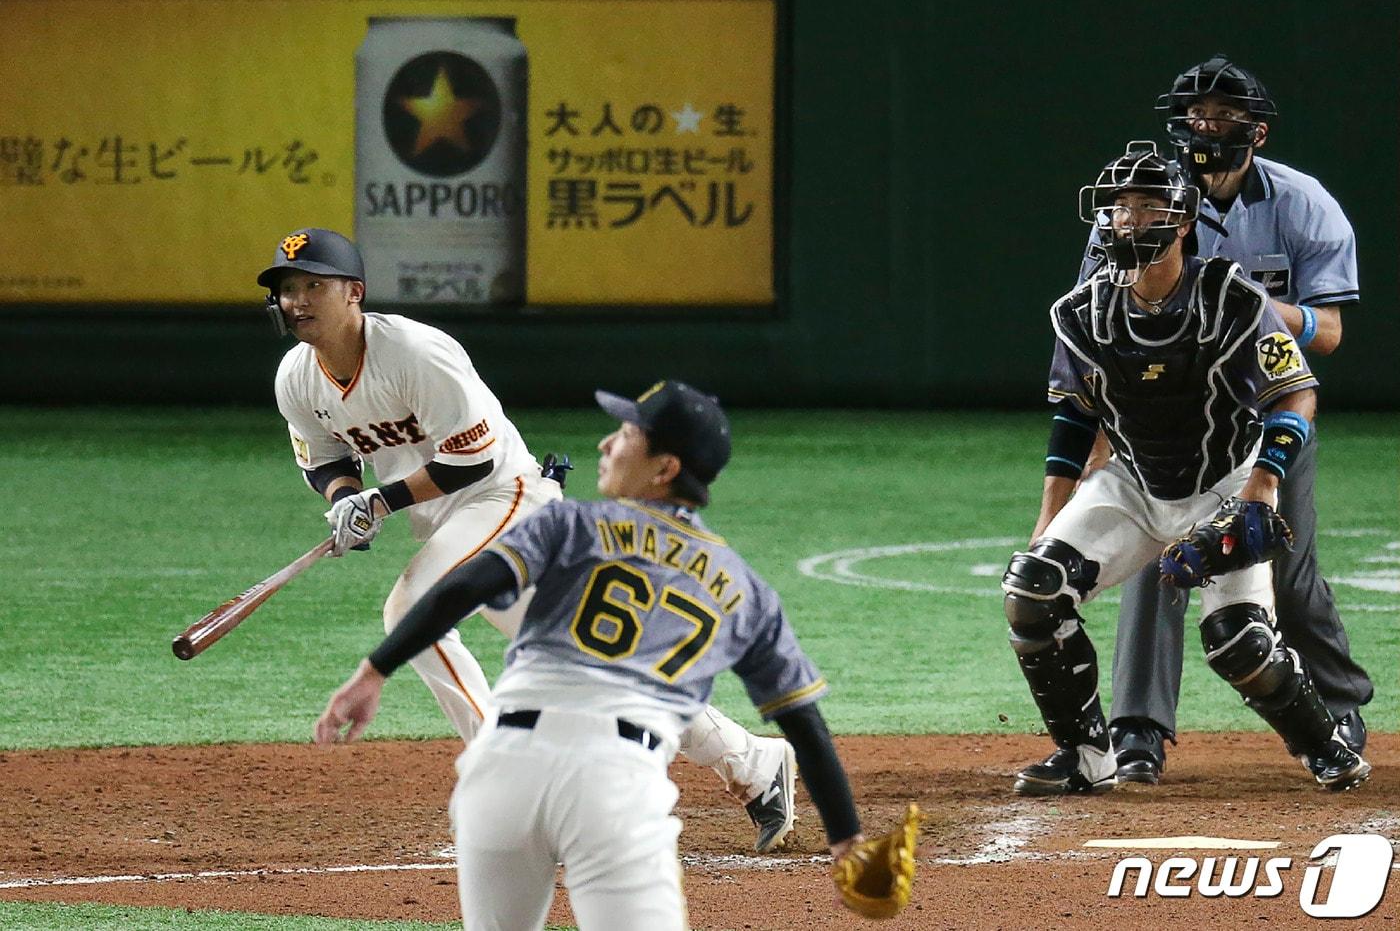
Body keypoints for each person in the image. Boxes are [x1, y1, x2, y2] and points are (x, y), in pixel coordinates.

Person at [257, 230, 797, 850]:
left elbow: (474, 461)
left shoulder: (417, 353)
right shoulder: (296, 377)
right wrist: (343, 498)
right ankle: (755, 765)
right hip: (448, 522)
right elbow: (322, 459)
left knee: (410, 608)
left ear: (353, 293)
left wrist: (379, 501)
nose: (296, 300)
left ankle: (506, 777)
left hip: (507, 499)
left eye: (312, 286)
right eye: (287, 288)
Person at [314, 381, 891, 930]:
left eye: (627, 435)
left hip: (499, 771)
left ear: (665, 469)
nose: (606, 443)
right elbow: (803, 723)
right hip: (615, 786)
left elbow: (461, 588)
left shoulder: (569, 522)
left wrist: (373, 672)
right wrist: (846, 839)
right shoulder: (744, 588)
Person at [1005, 143, 1370, 796]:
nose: (1127, 221)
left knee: (1238, 643)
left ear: (1180, 222)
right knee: (1032, 589)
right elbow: (1074, 419)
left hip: (1227, 482)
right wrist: (1048, 517)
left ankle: (1325, 744)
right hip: (1136, 484)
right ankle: (1088, 753)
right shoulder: (1082, 311)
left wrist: (1264, 486)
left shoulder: (1232, 298)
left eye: (1146, 207)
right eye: (1119, 208)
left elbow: (1294, 391)